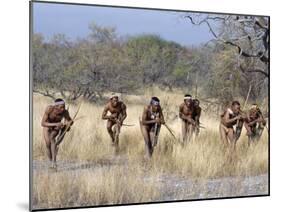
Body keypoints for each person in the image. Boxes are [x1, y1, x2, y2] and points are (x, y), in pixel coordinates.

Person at [41, 98, 73, 169]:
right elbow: (43, 123)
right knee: (47, 144)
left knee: (52, 139)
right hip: (48, 126)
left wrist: (68, 124)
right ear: (56, 107)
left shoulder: (65, 112)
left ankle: (54, 162)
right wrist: (56, 124)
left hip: (57, 128)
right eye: (61, 107)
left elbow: (70, 121)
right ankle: (50, 162)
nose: (63, 109)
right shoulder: (49, 109)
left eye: (64, 107)